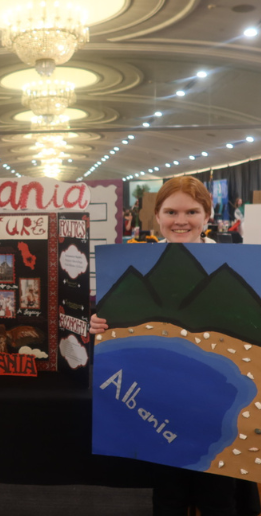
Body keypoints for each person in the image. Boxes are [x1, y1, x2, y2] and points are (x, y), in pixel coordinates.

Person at [90, 176, 246, 516]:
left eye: (192, 211)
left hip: (217, 407)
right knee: (168, 495)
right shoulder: (135, 264)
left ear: (207, 215)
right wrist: (99, 324)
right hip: (159, 404)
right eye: (171, 211)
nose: (181, 221)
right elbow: (116, 320)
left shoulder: (240, 265)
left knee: (219, 497)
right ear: (157, 216)